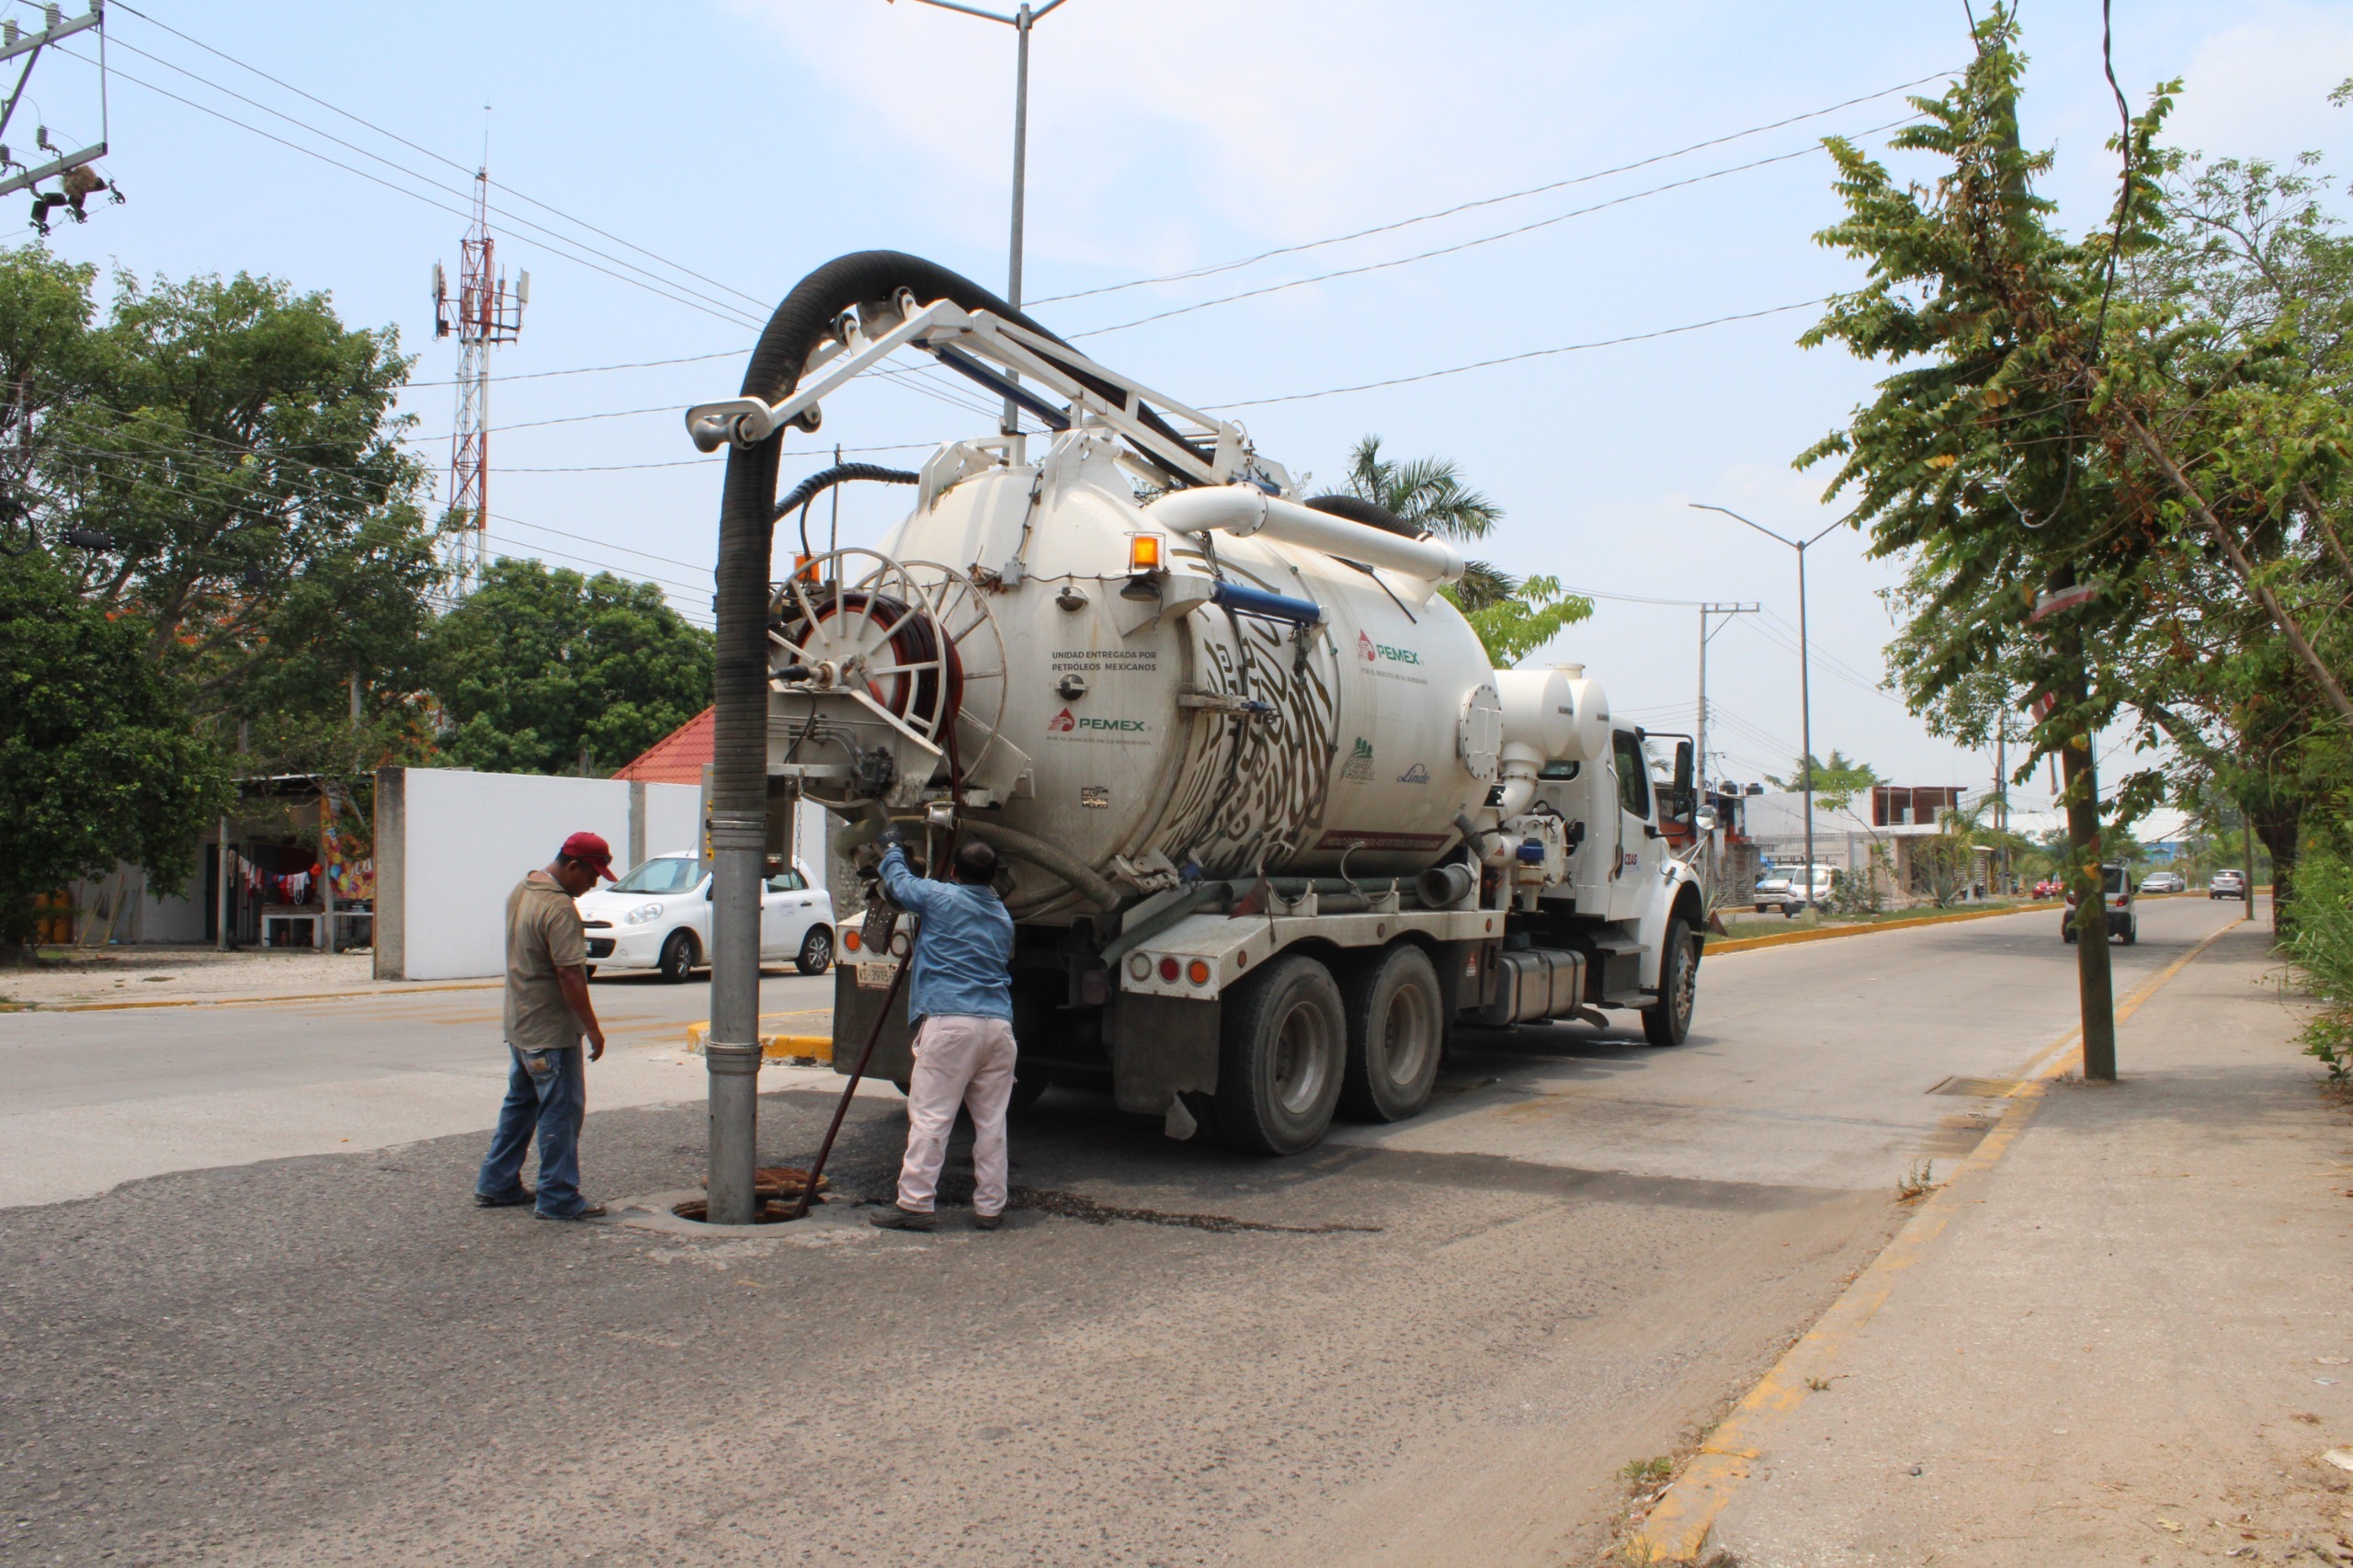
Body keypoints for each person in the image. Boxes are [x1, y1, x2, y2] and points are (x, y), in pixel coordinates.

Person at [868, 831, 1017, 1233]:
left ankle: (915, 1205)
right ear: (993, 878)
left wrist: (894, 848)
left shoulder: (941, 898)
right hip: (999, 1029)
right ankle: (990, 1208)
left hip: (952, 1023)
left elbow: (899, 885)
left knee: (932, 1117)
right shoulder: (1003, 918)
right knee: (991, 1123)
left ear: (953, 871)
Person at [474, 832, 615, 1221]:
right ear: (574, 867)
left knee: (520, 1105)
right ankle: (558, 1196)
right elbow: (570, 975)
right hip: (550, 1032)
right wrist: (592, 1028)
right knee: (561, 1111)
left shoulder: (523, 889)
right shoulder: (559, 908)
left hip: (520, 1024)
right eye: (592, 875)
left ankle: (496, 1182)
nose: (594, 883)